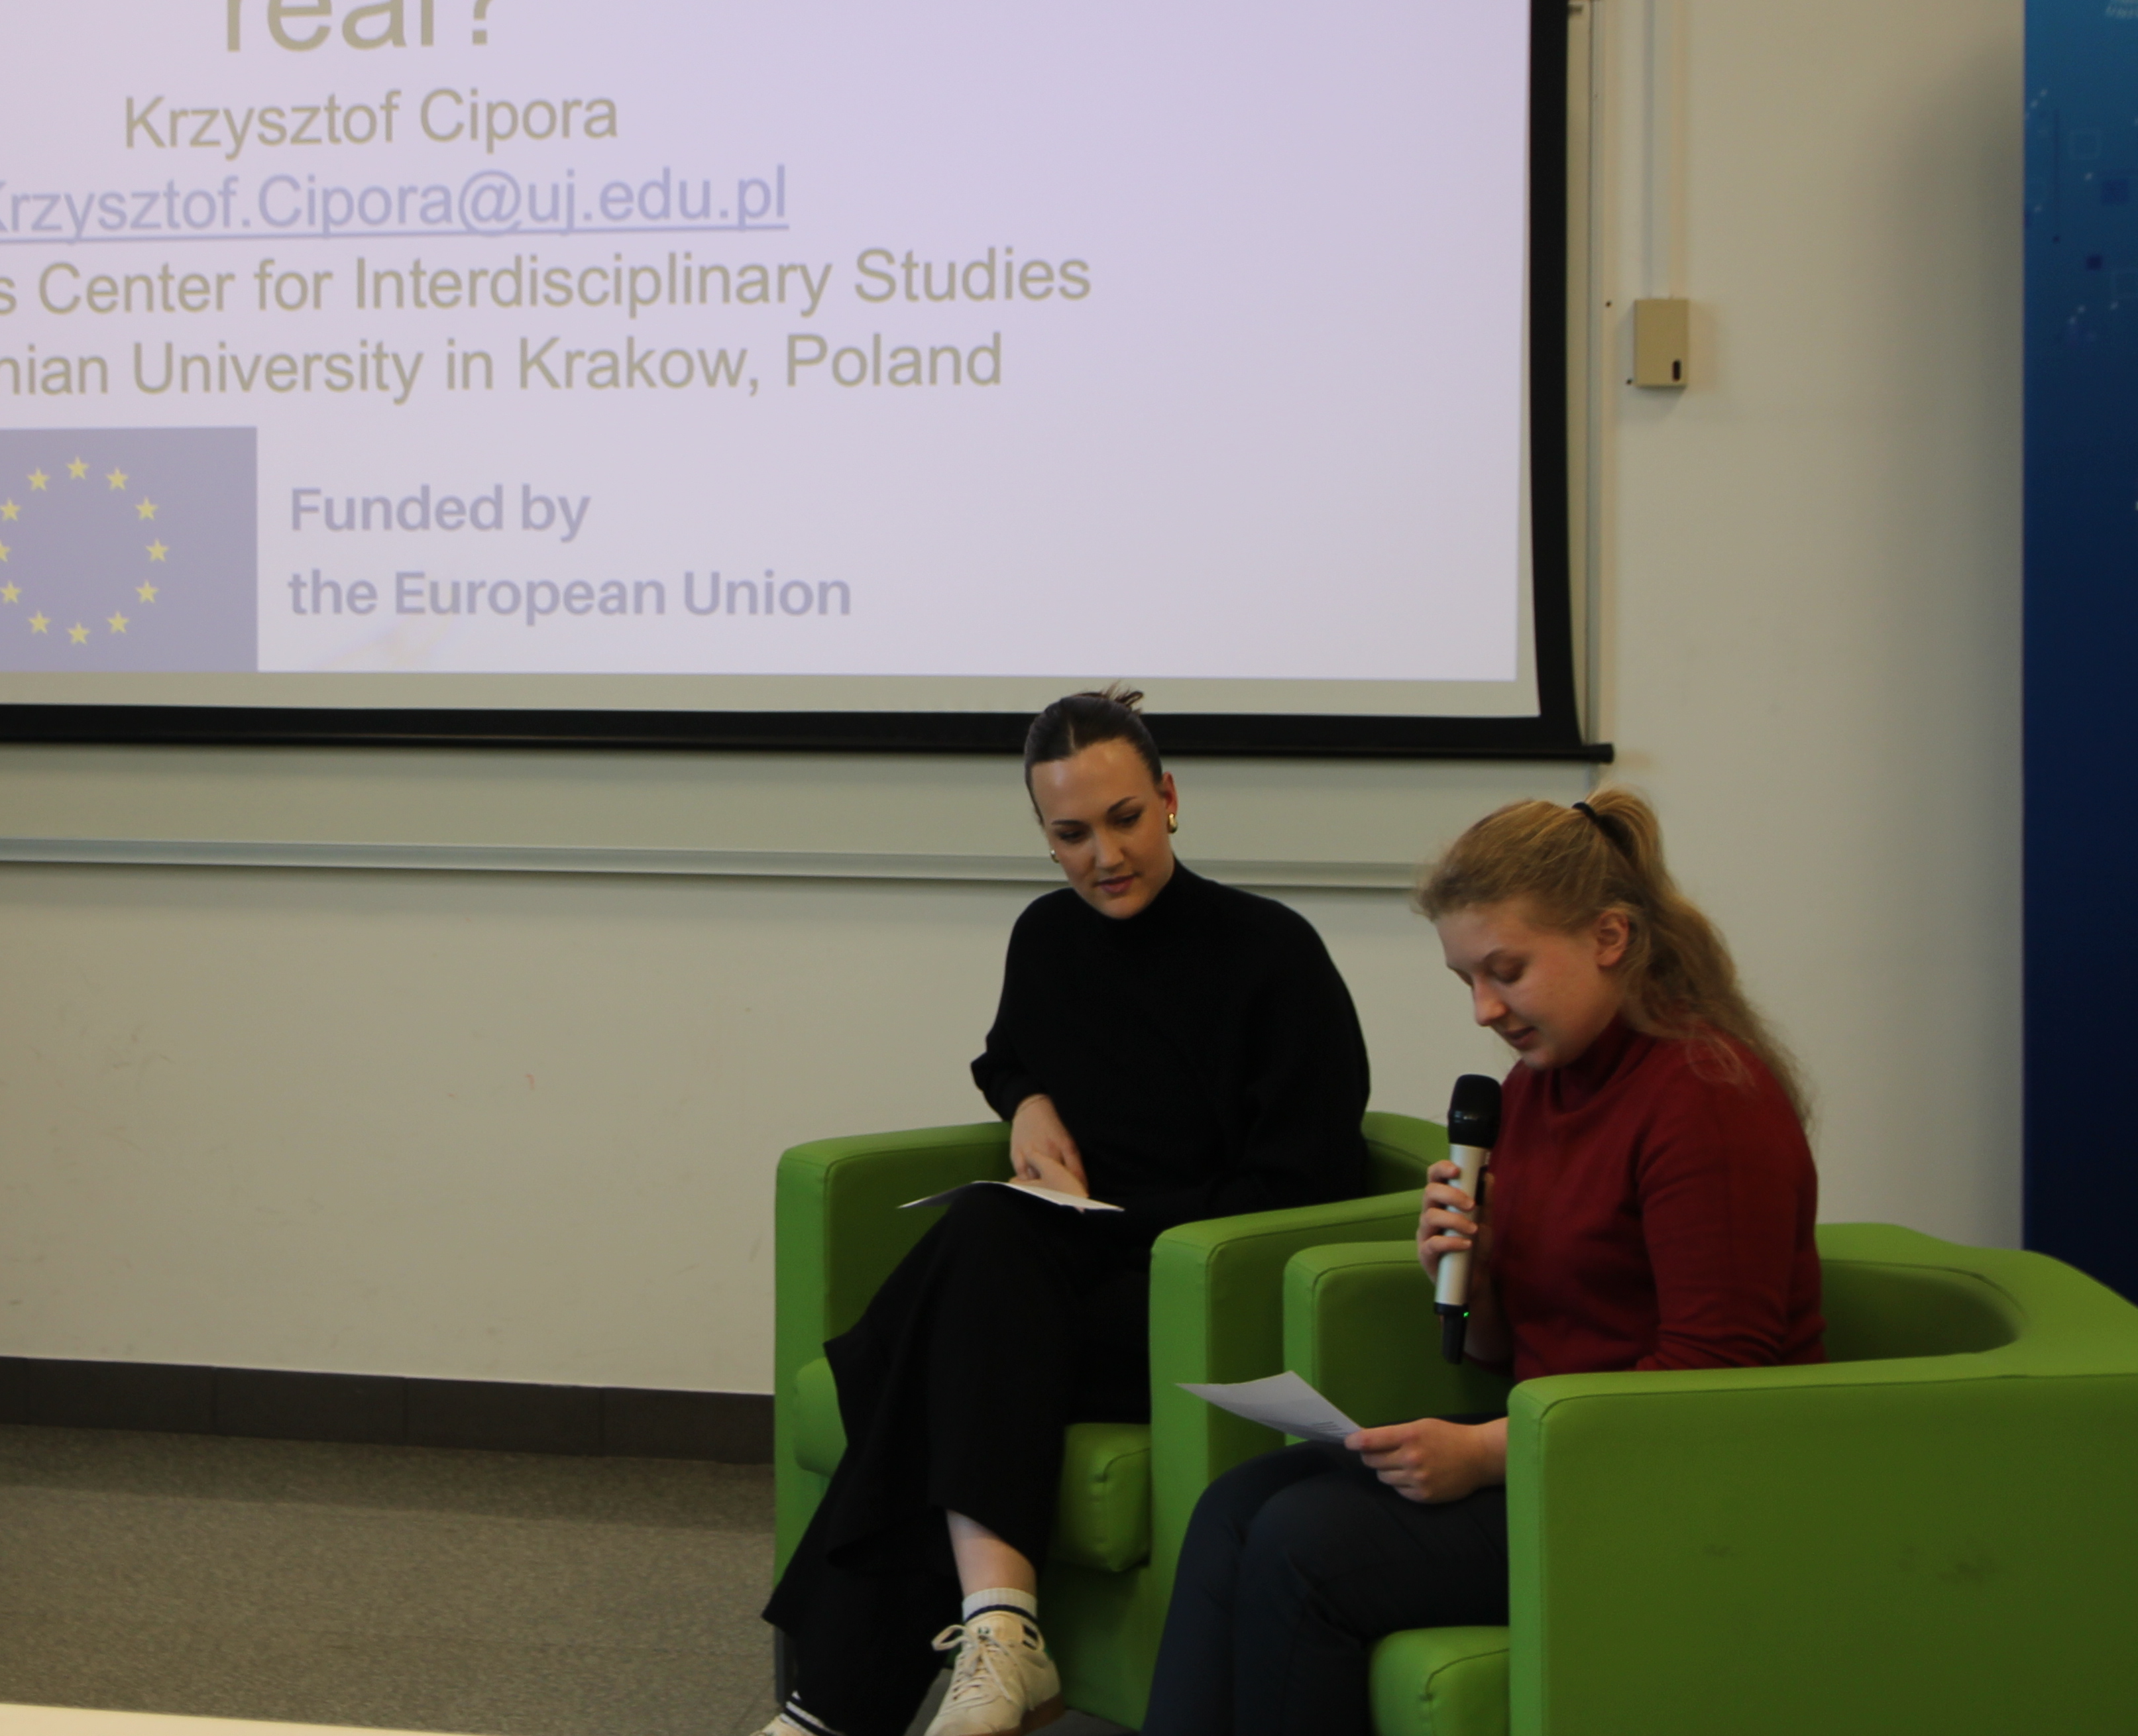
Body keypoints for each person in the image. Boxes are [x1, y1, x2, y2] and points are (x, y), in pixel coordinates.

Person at [1139, 788, 1822, 1736]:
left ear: (1611, 937)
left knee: (1303, 1543)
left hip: (1666, 1484)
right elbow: (1519, 1351)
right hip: (1558, 1447)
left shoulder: (1708, 1098)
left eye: (1507, 971)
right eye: (1467, 979)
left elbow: (1712, 1385)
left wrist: (1483, 1454)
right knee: (1237, 1506)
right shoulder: (1539, 1089)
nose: (1485, 1010)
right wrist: (1480, 1275)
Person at [763, 690, 1374, 1736]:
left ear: (1170, 798)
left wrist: (1105, 1222)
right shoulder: (1047, 937)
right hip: (1065, 1289)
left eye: (1126, 819)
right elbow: (1008, 1054)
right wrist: (1026, 1102)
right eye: (1073, 834)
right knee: (983, 1275)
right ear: (1044, 836)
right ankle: (998, 1628)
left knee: (946, 1318)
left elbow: (1299, 1192)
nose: (1106, 856)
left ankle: (837, 1706)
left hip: (1201, 1300)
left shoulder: (1271, 952)